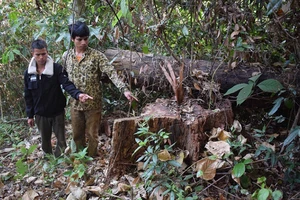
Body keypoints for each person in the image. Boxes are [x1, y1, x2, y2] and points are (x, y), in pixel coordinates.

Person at [62, 21, 136, 157]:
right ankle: (80, 158)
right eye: (79, 39)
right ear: (72, 39)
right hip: (75, 103)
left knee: (92, 135)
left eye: (86, 38)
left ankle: (91, 157)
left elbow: (111, 72)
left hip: (93, 104)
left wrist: (124, 89)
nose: (83, 42)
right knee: (77, 135)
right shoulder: (66, 56)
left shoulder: (96, 56)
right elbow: (64, 78)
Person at [24, 39, 93, 157]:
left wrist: (78, 94)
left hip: (57, 112)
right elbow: (28, 95)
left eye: (43, 54)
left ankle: (61, 159)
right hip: (40, 114)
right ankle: (49, 160)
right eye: (38, 54)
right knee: (45, 140)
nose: (41, 57)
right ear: (32, 54)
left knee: (61, 140)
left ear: (47, 52)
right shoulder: (29, 73)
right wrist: (30, 115)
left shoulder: (56, 68)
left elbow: (66, 84)